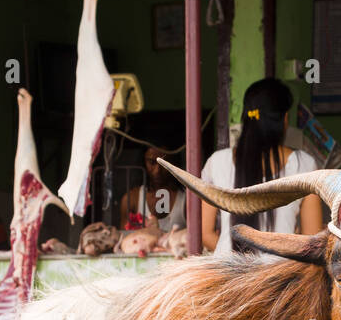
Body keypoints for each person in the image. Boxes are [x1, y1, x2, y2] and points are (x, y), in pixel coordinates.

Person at [200, 78, 323, 255]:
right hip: (278, 278)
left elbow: (206, 234)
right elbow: (312, 244)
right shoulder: (304, 166)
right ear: (285, 119)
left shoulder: (217, 162)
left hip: (226, 275)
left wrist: (232, 256)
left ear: (247, 116)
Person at [121, 147, 186, 232]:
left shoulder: (186, 201)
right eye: (152, 162)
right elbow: (125, 238)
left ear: (173, 163)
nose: (157, 170)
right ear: (144, 162)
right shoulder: (132, 199)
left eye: (164, 164)